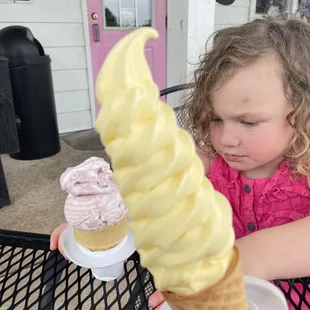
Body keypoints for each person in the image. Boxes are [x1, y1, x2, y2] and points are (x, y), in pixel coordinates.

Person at [51, 17, 310, 309]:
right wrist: (103, 221)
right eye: (216, 119)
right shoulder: (208, 165)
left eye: (248, 122)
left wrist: (249, 258)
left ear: (302, 114)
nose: (225, 139)